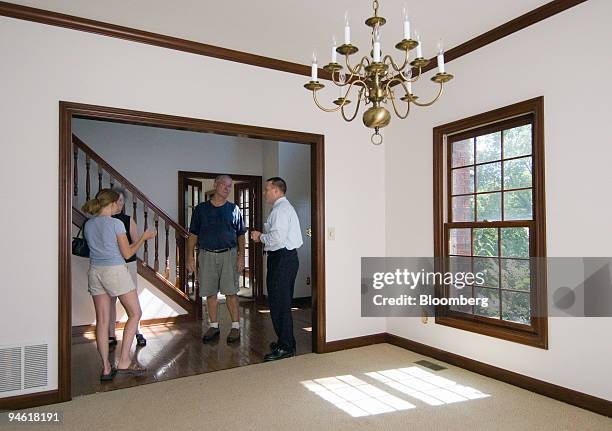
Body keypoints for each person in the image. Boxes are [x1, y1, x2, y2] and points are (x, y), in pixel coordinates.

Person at [81, 189, 156, 380]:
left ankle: (106, 368)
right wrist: (143, 238)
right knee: (135, 313)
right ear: (113, 203)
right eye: (118, 203)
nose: (120, 206)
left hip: (95, 272)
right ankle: (124, 361)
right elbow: (128, 253)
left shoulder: (89, 224)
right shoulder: (115, 223)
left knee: (102, 321)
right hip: (114, 271)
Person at [186, 175, 247, 344]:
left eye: (230, 186)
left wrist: (241, 256)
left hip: (229, 254)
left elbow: (241, 234)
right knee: (210, 292)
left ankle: (235, 327)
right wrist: (190, 256)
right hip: (207, 255)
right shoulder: (201, 209)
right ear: (215, 185)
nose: (227, 189)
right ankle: (214, 326)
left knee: (231, 292)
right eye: (224, 185)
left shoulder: (234, 209)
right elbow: (193, 235)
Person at [251, 177, 303, 361]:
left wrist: (260, 237)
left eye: (267, 189)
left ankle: (286, 347)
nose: (265, 193)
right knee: (280, 302)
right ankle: (285, 341)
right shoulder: (281, 208)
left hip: (281, 258)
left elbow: (278, 239)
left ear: (276, 191)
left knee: (279, 303)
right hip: (285, 259)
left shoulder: (281, 210)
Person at [106, 187, 146, 348]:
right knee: (110, 299)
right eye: (117, 201)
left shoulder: (128, 219)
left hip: (128, 263)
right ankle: (110, 334)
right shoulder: (103, 220)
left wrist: (124, 249)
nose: (120, 204)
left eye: (122, 201)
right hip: (110, 265)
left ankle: (138, 331)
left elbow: (136, 242)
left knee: (132, 300)